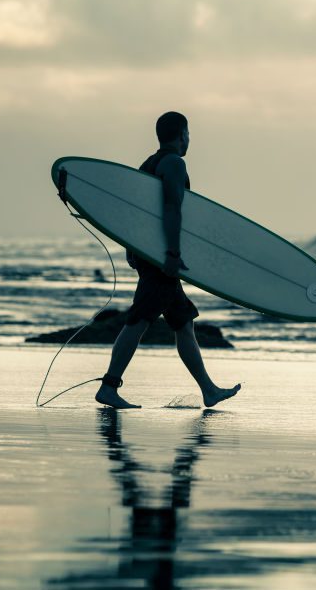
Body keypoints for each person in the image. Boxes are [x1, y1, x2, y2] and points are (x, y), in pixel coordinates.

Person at [95, 111, 241, 409]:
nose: (189, 140)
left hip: (152, 255)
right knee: (138, 320)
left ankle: (208, 390)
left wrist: (132, 248)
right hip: (163, 258)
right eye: (188, 134)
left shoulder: (147, 164)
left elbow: (136, 215)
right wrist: (172, 255)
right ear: (181, 134)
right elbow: (173, 209)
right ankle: (109, 387)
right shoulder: (174, 163)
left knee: (183, 323)